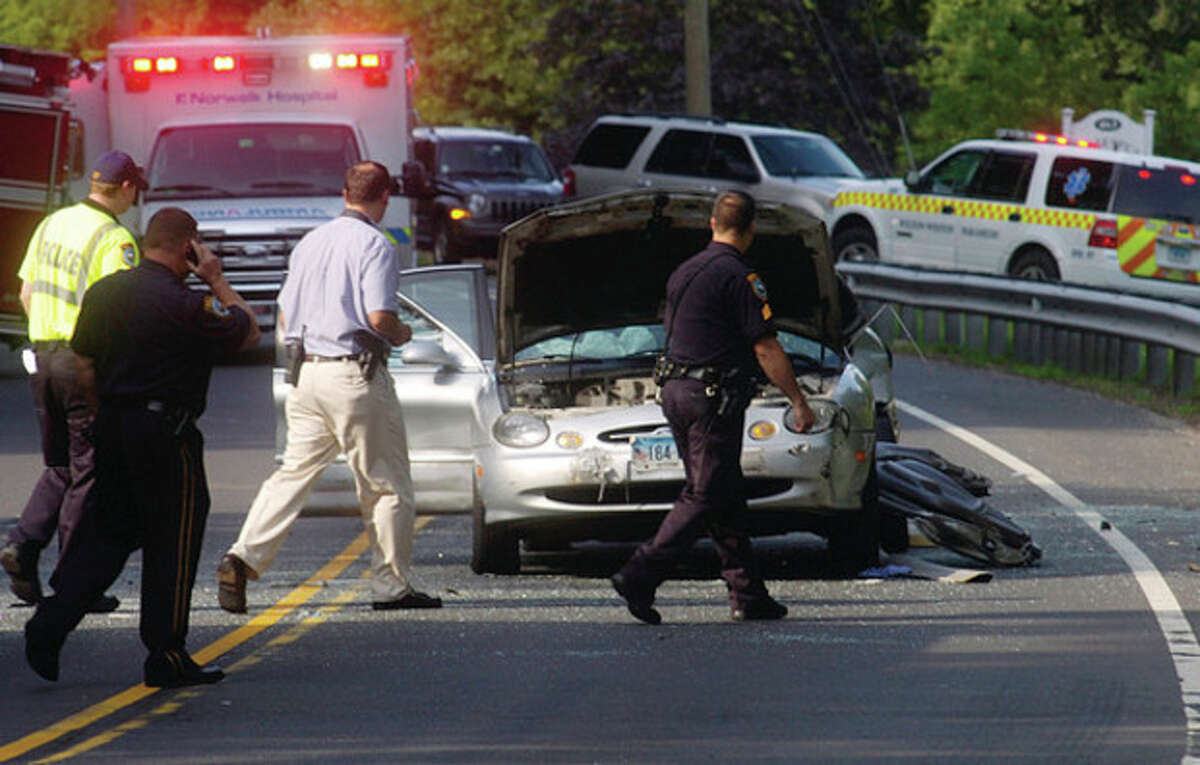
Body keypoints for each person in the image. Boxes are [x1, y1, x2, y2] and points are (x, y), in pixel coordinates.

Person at [23, 207, 259, 686]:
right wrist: (215, 278)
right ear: (187, 247)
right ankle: (165, 654)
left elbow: (85, 362)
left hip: (111, 427)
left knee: (107, 536)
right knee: (173, 543)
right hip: (167, 438)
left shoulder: (105, 292)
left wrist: (102, 414)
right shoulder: (187, 304)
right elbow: (249, 330)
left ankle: (51, 621)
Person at [217, 161, 441, 614]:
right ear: (385, 199)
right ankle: (391, 585)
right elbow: (379, 317)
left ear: (344, 194)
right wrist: (402, 335)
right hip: (353, 374)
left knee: (293, 474)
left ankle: (242, 557)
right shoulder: (375, 244)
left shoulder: (310, 243)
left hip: (306, 375)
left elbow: (284, 316)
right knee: (385, 483)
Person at [611, 190, 815, 625]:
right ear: (751, 229)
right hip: (710, 399)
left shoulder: (686, 270)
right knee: (706, 494)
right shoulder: (739, 276)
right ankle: (639, 573)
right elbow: (765, 346)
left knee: (723, 492)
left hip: (677, 392)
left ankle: (748, 593)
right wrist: (798, 400)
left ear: (712, 223)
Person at [1, 151, 148, 613]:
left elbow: (26, 292)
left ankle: (23, 546)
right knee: (88, 469)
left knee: (60, 463)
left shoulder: (52, 224)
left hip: (43, 356)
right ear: (125, 188)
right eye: (134, 189)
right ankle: (74, 582)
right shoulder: (114, 238)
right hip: (82, 363)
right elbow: (119, 310)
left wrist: (50, 331)